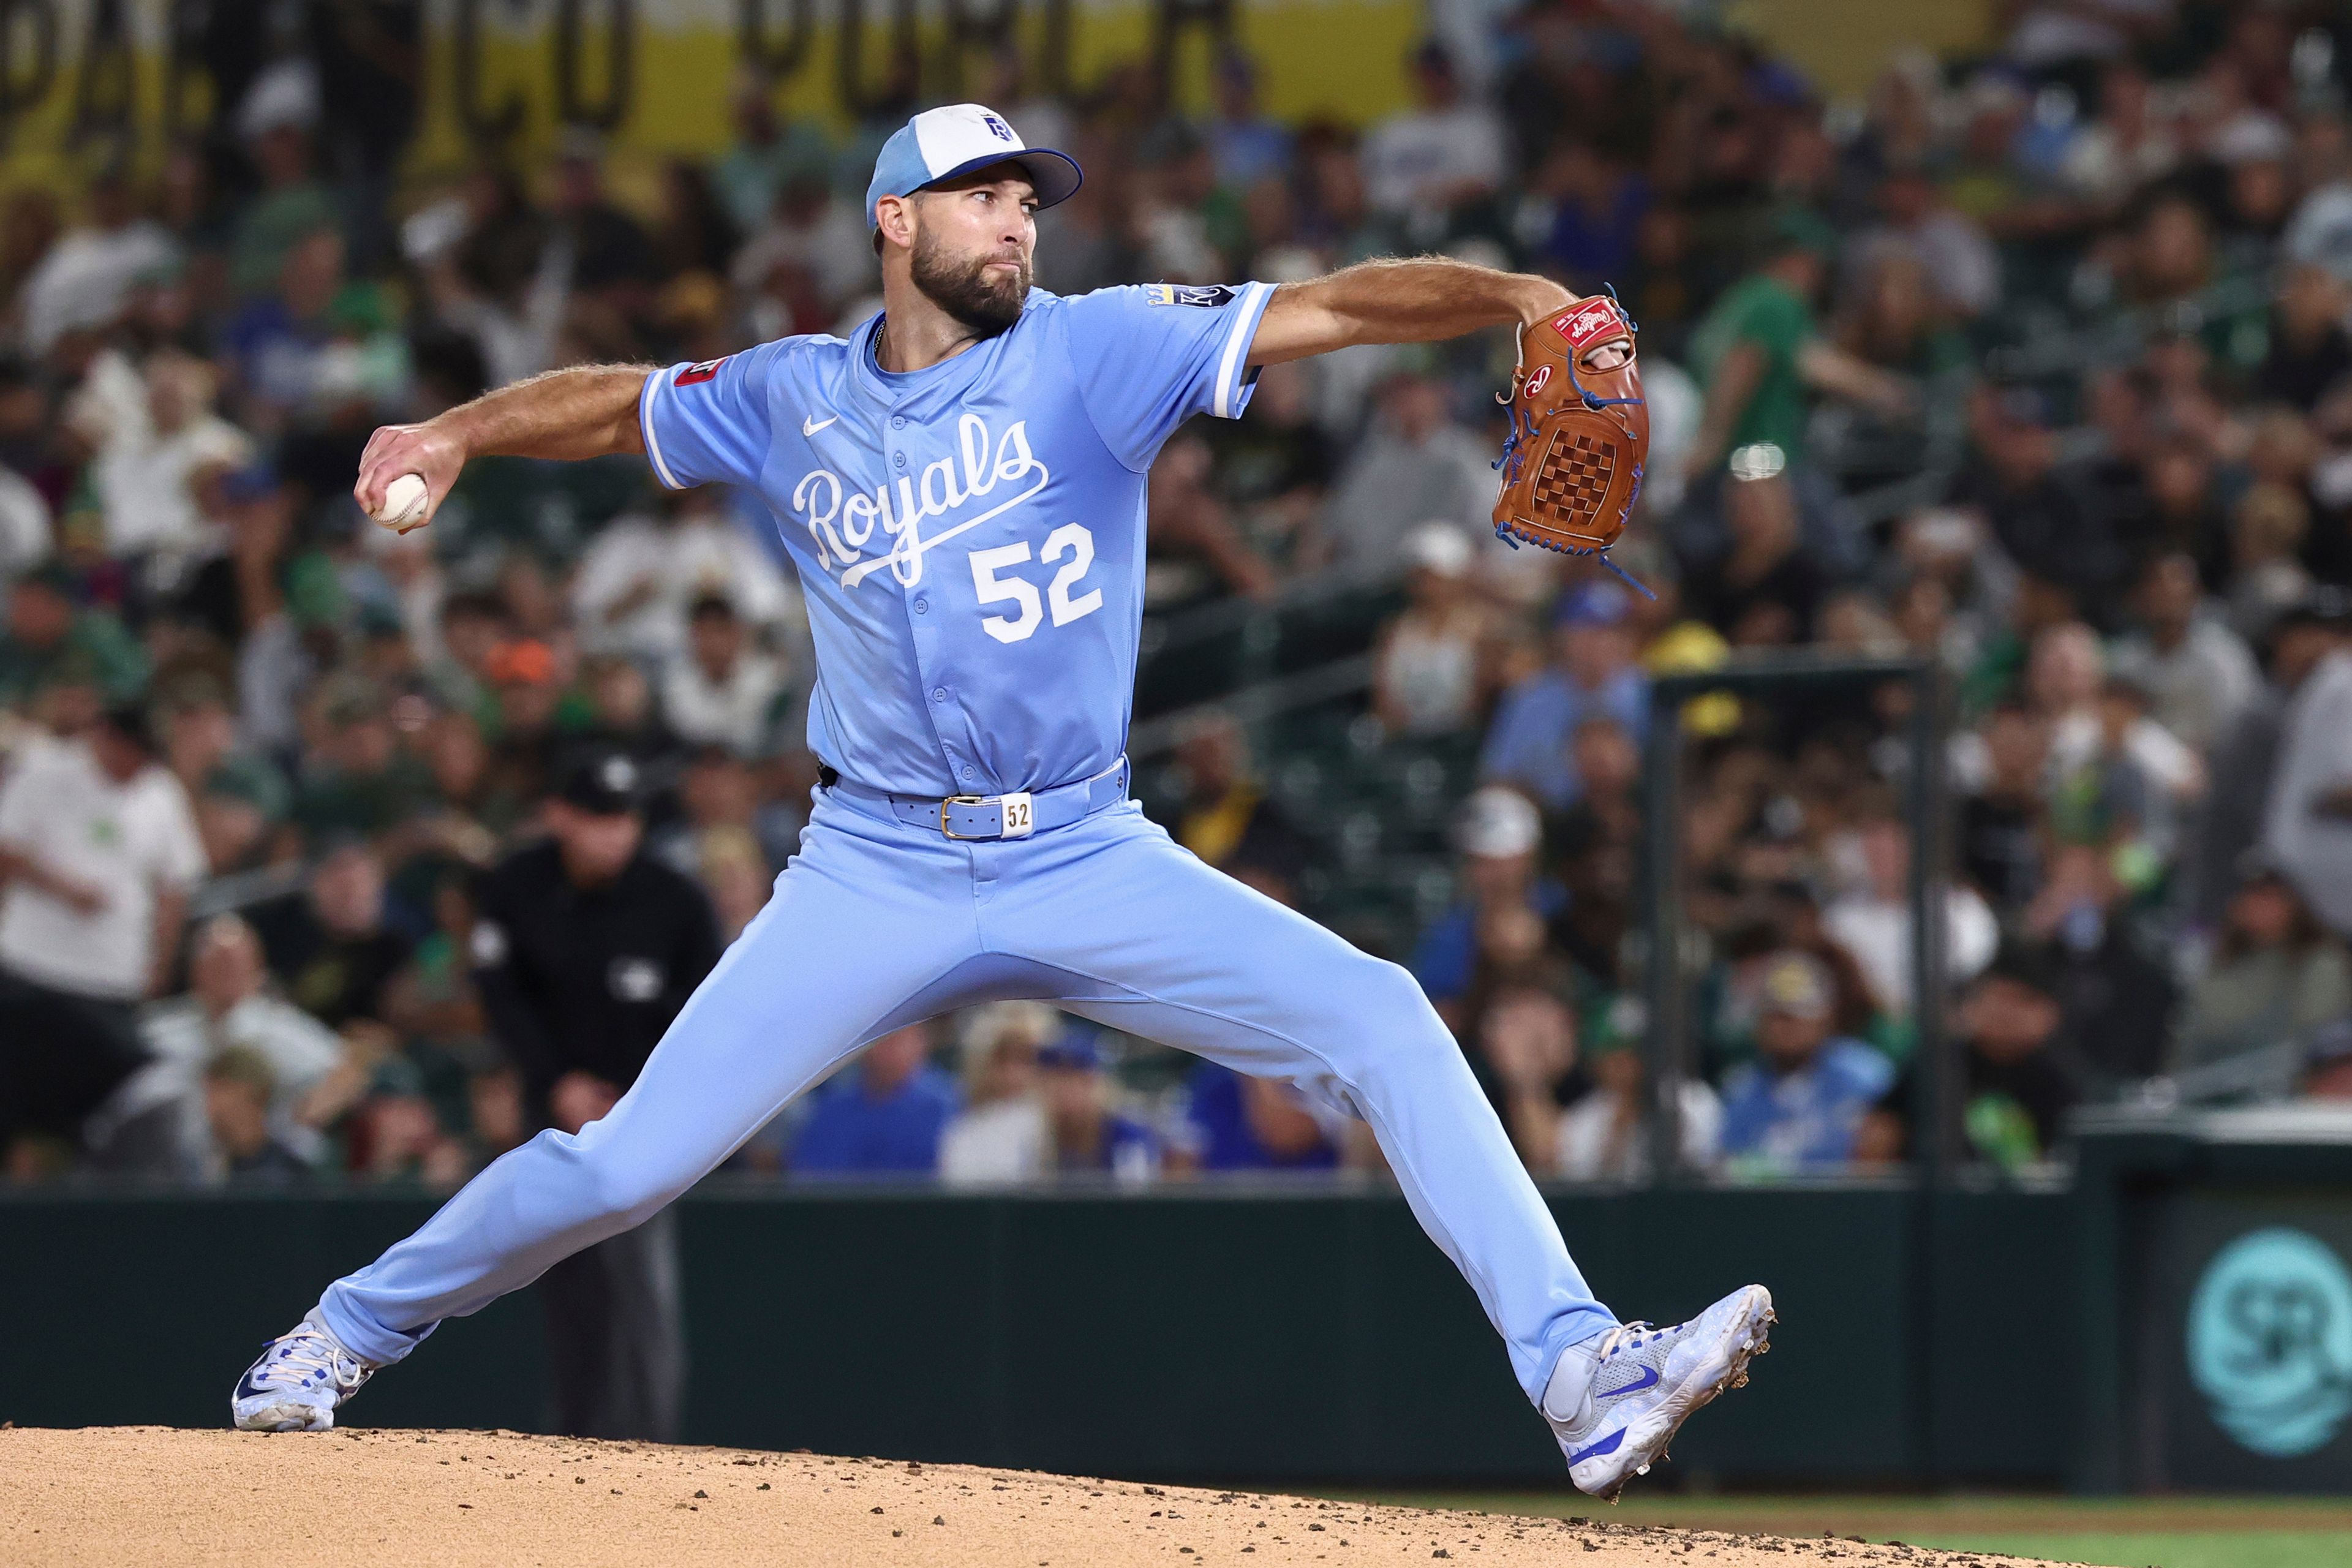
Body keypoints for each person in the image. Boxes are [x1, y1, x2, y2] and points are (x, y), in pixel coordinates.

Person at [233, 102, 1771, 1502]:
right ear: (893, 219)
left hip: (1086, 848)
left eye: (1027, 200)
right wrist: (455, 431)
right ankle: (340, 1332)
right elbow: (617, 402)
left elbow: (1339, 306)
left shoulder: (1098, 348)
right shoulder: (789, 394)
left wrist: (1511, 295)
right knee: (622, 1165)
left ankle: (1581, 1368)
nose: (1016, 222)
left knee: (1379, 1012)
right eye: (981, 196)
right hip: (873, 864)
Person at [464, 748, 724, 1442]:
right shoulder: (518, 886)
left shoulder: (675, 900)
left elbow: (709, 1015)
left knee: (638, 1286)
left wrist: (633, 1095)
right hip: (551, 1109)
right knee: (565, 1280)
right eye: (598, 818)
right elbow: (503, 998)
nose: (615, 834)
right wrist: (557, 1081)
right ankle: (576, 1442)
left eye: (625, 819)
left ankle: (645, 1442)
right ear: (560, 817)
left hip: (645, 1115)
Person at [0, 705, 205, 1173]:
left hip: (111, 986)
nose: (139, 766)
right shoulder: (44, 776)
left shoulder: (160, 791)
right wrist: (62, 887)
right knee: (18, 1109)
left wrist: (160, 964)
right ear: (106, 738)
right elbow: (5, 851)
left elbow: (176, 884)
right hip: (31, 975)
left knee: (108, 1112)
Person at [1716, 951, 1895, 1174]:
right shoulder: (1742, 1089)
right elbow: (1729, 1165)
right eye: (1772, 1016)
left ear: (1825, 1018)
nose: (1781, 1028)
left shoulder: (1866, 1078)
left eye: (1793, 1016)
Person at [790, 1021, 959, 1175]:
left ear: (921, 1042)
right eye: (875, 1040)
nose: (882, 1049)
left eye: (895, 1039)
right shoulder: (832, 1111)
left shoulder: (947, 1108)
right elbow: (807, 1180)